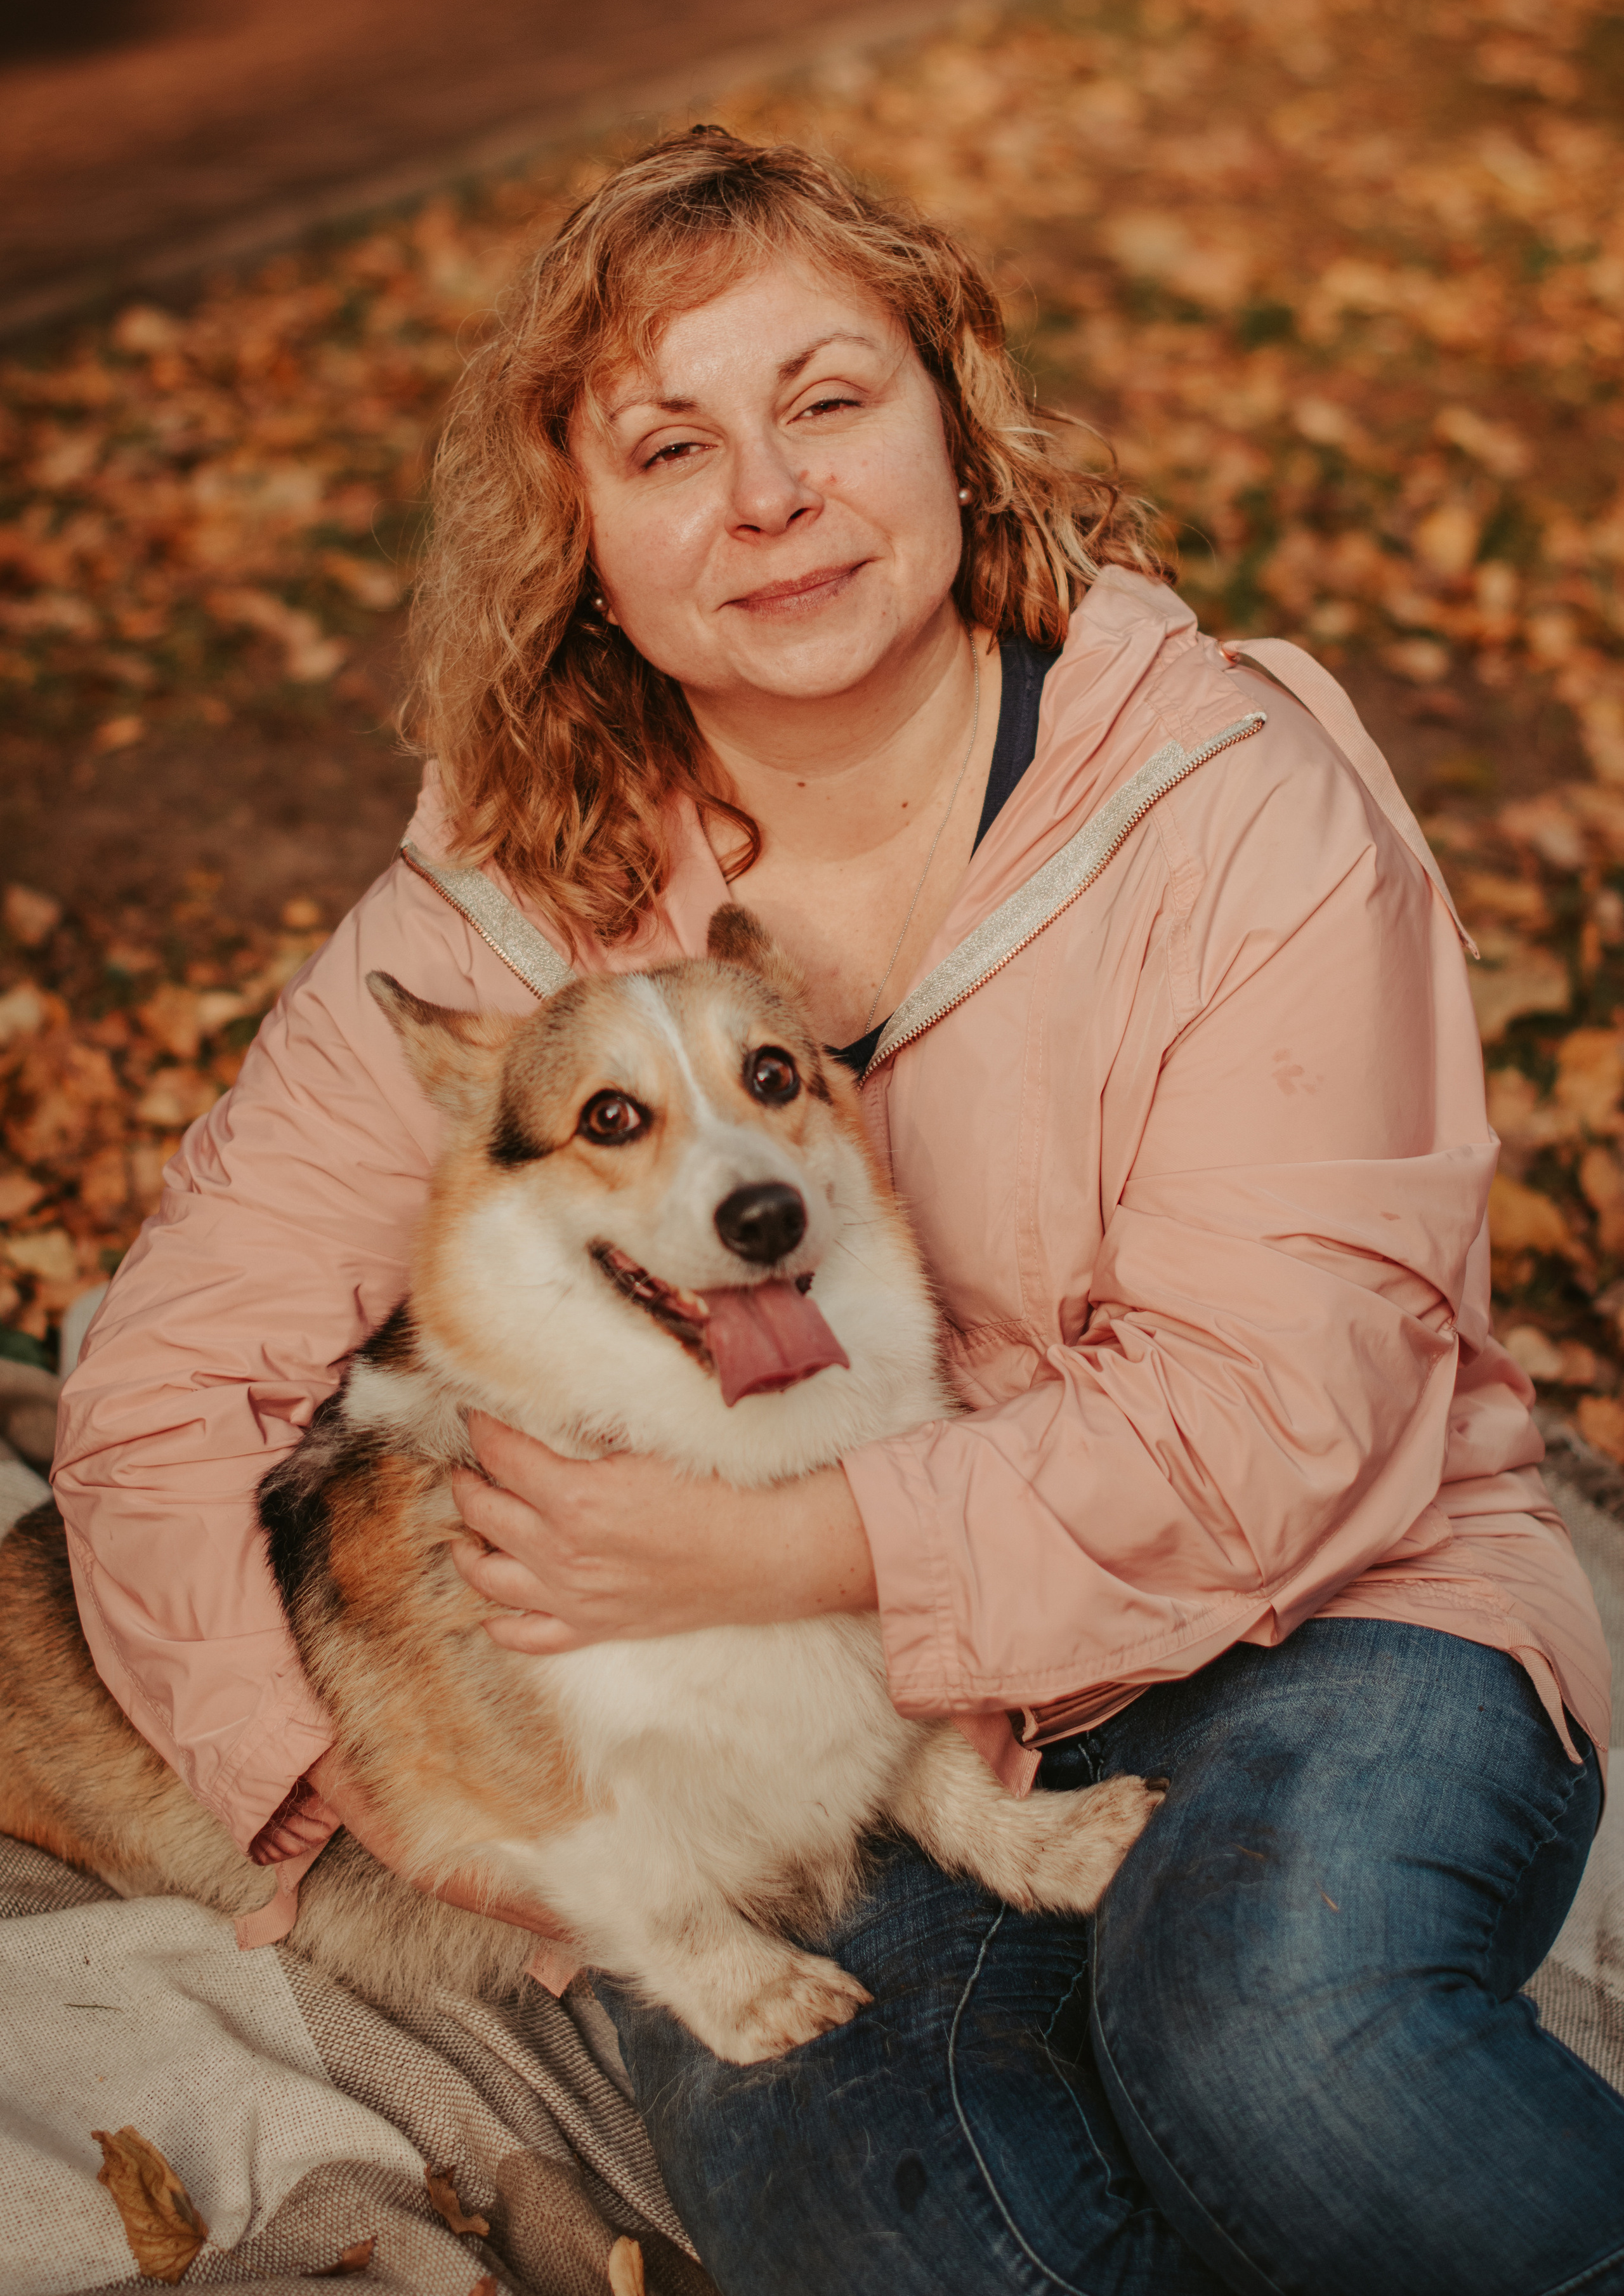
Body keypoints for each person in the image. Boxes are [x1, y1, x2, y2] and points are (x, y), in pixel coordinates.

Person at [53, 128, 1624, 2295]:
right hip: (787, 1736)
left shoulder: (1230, 800)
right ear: (586, 547)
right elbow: (164, 1371)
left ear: (956, 427)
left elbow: (1287, 1403)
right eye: (670, 446)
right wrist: (355, 1784)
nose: (767, 498)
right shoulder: (510, 898)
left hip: (1316, 1608)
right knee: (888, 2208)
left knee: (1273, 2052)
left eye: (824, 402)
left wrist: (782, 1545)